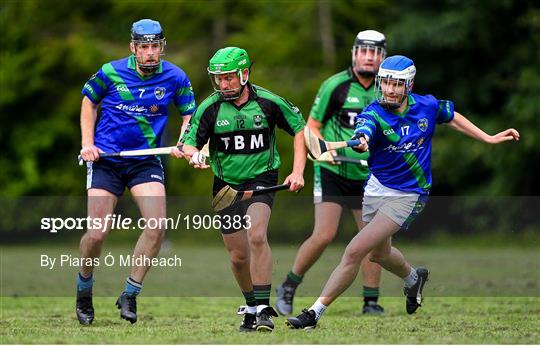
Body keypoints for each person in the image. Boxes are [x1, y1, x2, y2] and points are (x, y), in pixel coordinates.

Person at [286, 55, 520, 329]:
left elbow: (452, 116)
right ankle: (413, 279)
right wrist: (361, 142)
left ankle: (313, 314)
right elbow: (364, 133)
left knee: (354, 251)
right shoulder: (372, 113)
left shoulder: (426, 105)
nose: (390, 89)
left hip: (409, 194)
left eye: (397, 84)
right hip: (376, 187)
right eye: (386, 83)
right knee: (379, 254)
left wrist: (488, 137)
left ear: (408, 85)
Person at [76, 19, 195, 325]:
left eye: (155, 46)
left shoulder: (175, 77)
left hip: (146, 162)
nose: (151, 53)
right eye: (144, 47)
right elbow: (89, 101)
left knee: (157, 226)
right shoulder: (111, 71)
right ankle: (84, 290)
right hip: (107, 161)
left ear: (162, 47)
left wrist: (185, 143)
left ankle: (130, 293)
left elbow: (188, 116)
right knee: (97, 233)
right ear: (133, 48)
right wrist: (88, 144)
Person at [182, 47, 307, 332]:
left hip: (263, 177)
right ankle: (251, 307)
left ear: (244, 74)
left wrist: (298, 171)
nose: (223, 85)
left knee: (257, 234)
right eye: (218, 79)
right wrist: (195, 154)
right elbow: (190, 144)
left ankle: (263, 308)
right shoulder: (209, 107)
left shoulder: (268, 102)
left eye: (228, 78)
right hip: (225, 187)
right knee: (238, 256)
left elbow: (299, 129)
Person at [275, 30, 387, 316]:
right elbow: (311, 126)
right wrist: (323, 150)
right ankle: (288, 285)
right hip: (332, 169)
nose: (368, 57)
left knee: (370, 238)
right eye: (364, 51)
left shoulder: (386, 90)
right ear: (354, 53)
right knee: (324, 234)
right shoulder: (335, 86)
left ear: (382, 57)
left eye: (374, 53)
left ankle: (370, 301)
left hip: (368, 175)